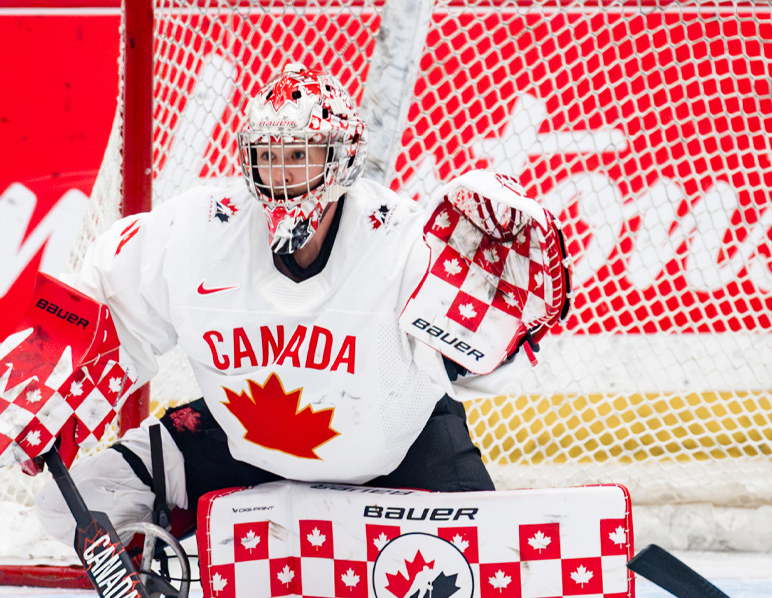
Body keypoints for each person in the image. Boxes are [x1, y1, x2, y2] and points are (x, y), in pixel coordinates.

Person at [32, 64, 565, 546]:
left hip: (400, 449)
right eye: (268, 156)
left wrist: (504, 297)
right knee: (67, 506)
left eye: (299, 156)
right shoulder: (200, 229)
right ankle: (186, 544)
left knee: (490, 556)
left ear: (340, 161)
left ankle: (297, 531)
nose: (282, 174)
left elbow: (477, 364)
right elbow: (101, 301)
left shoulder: (404, 239)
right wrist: (38, 394)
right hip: (247, 446)